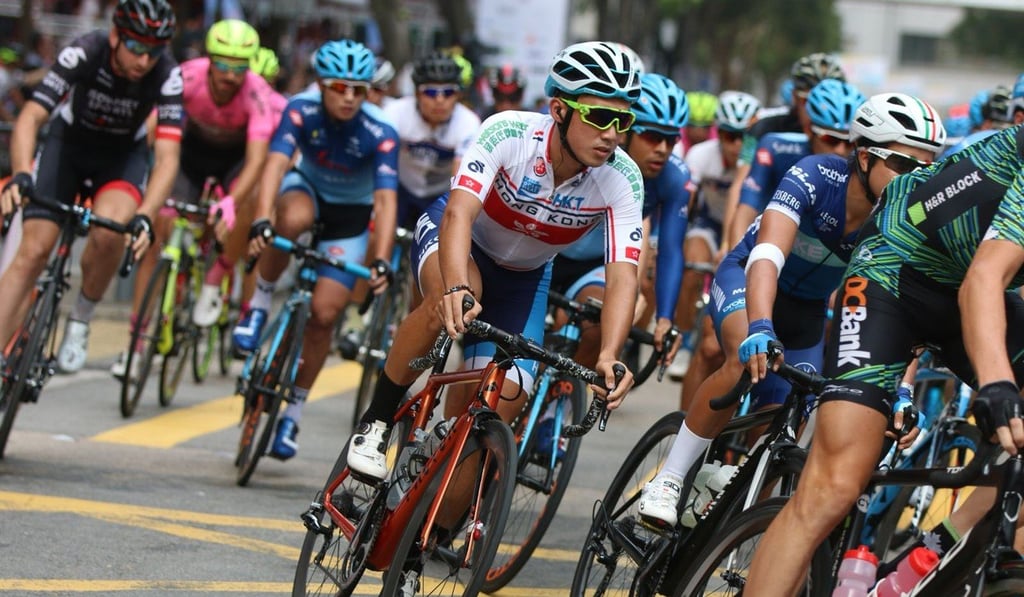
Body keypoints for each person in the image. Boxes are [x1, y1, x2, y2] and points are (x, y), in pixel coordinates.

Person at [743, 104, 1024, 596]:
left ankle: (930, 557)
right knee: (833, 486)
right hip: (892, 273)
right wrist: (998, 382)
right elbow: (983, 279)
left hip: (961, 284)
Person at [639, 92, 946, 528]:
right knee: (743, 362)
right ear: (863, 156)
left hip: (806, 310)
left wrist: (902, 390)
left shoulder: (901, 219)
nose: (914, 178)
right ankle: (670, 477)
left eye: (925, 169)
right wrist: (759, 326)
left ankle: (726, 514)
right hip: (749, 277)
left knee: (789, 414)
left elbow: (899, 310)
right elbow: (767, 256)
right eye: (902, 164)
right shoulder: (816, 174)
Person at [346, 40, 645, 482]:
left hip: (524, 281)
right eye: (600, 117)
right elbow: (459, 212)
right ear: (559, 110)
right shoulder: (509, 131)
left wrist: (609, 353)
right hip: (462, 245)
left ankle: (428, 521)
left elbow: (624, 275)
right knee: (456, 300)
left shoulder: (622, 177)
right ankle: (376, 421)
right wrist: (453, 288)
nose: (612, 135)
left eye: (623, 121)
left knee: (494, 414)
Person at [234, 39, 398, 460]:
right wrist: (262, 218)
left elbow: (384, 201)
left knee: (324, 317)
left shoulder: (380, 132)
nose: (348, 98)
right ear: (321, 86)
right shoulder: (299, 110)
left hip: (350, 218)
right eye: (339, 87)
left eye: (358, 91)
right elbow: (274, 163)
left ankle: (293, 414)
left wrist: (379, 259)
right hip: (305, 192)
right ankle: (260, 302)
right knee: (290, 222)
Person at [0, 0, 180, 374]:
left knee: (109, 230)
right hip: (68, 148)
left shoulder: (166, 73)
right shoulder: (85, 50)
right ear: (115, 36)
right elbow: (31, 117)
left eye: (154, 50)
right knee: (32, 253)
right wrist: (21, 173)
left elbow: (167, 157)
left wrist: (146, 214)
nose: (144, 60)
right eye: (136, 47)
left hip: (119, 158)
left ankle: (81, 318)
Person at [551, 72, 692, 379]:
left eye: (671, 140)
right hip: (550, 250)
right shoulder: (592, 153)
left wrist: (665, 318)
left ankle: (557, 396)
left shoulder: (674, 178)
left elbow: (670, 249)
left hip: (595, 262)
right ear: (626, 129)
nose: (663, 150)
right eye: (653, 137)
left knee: (596, 320)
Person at [667, 90, 760, 385]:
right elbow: (686, 205)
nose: (736, 144)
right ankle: (682, 340)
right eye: (729, 134)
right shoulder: (700, 154)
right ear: (717, 133)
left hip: (748, 230)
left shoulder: (760, 160)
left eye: (744, 136)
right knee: (693, 266)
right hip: (708, 224)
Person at [723, 52, 845, 252]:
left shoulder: (848, 138)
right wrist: (727, 246)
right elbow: (740, 186)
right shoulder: (764, 128)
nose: (817, 110)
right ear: (796, 97)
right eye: (808, 101)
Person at [383, 51, 481, 230]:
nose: (439, 100)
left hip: (440, 195)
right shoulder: (394, 113)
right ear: (416, 94)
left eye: (448, 92)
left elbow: (460, 178)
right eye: (430, 92)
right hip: (401, 188)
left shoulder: (468, 122)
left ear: (458, 95)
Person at [678, 90, 717, 156]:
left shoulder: (717, 142)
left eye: (705, 127)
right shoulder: (677, 142)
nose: (698, 132)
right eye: (692, 125)